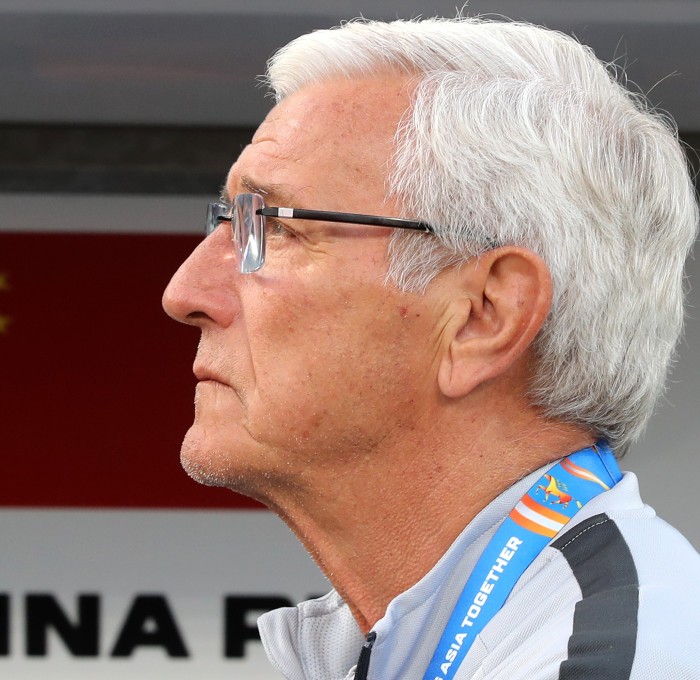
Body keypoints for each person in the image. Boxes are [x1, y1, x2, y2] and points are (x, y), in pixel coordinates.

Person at [162, 16, 700, 680]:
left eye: (269, 227)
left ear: (483, 317)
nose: (183, 291)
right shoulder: (489, 635)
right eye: (228, 221)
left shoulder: (606, 659)